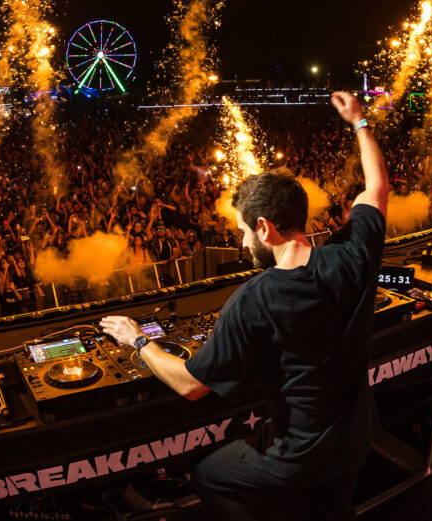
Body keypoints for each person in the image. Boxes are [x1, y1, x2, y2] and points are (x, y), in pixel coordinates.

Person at [100, 91, 388, 521]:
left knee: (210, 475)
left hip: (299, 453)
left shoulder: (254, 298)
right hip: (356, 440)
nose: (241, 243)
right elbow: (377, 186)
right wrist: (358, 121)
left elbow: (189, 385)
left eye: (242, 232)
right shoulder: (353, 255)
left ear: (264, 228)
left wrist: (137, 339)